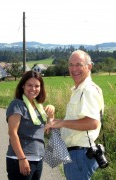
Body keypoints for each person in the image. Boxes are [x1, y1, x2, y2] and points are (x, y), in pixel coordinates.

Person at [45, 50, 105, 180]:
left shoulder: (87, 90)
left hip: (80, 155)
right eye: (71, 65)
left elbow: (92, 123)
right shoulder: (79, 90)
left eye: (78, 64)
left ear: (89, 66)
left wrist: (62, 123)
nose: (74, 69)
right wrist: (55, 119)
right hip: (76, 154)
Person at [6, 70, 55, 180]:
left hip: (37, 159)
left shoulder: (39, 107)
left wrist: (51, 115)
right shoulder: (17, 104)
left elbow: (47, 131)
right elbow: (12, 133)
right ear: (23, 86)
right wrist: (22, 159)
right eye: (30, 85)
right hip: (20, 159)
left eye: (37, 86)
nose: (33, 89)